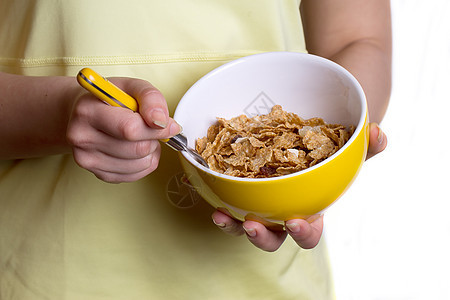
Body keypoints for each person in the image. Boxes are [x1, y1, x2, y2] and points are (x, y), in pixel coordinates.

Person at [0, 0, 390, 299]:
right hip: (51, 272)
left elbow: (358, 40)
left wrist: (328, 160)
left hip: (265, 281)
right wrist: (57, 114)